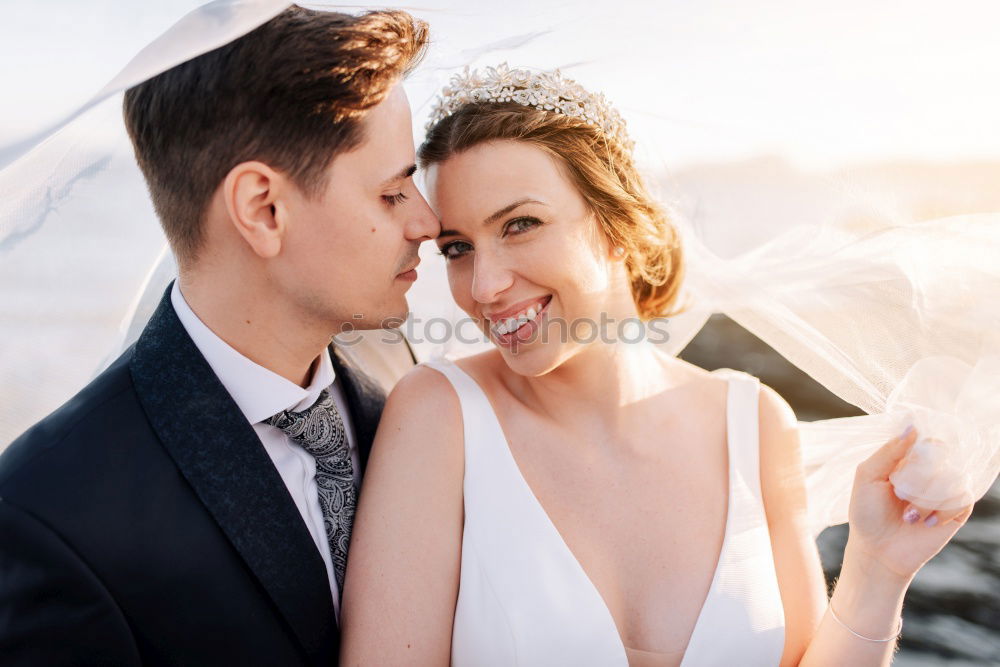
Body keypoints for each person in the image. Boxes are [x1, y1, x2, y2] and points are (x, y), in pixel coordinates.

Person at [340, 65, 975, 666]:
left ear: (617, 225)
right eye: (457, 248)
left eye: (520, 224)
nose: (484, 286)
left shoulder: (753, 421)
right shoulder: (439, 414)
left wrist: (877, 570)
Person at [0, 6, 436, 665]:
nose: (428, 222)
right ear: (263, 208)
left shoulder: (413, 388)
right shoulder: (50, 513)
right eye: (393, 192)